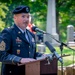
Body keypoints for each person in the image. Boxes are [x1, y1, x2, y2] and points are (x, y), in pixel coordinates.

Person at [0, 5, 44, 75]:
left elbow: (31, 54)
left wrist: (42, 56)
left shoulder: (31, 35)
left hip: (29, 72)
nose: (26, 19)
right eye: (23, 16)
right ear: (15, 18)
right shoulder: (8, 33)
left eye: (28, 17)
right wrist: (20, 60)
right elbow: (2, 54)